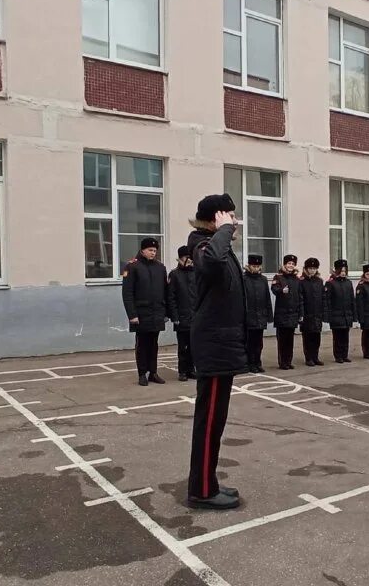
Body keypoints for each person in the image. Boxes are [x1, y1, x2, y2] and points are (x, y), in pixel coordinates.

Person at [186, 193, 246, 510]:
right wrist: (223, 231)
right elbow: (212, 263)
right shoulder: (201, 244)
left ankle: (207, 483)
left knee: (215, 421)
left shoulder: (214, 244)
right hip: (213, 345)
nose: (235, 223)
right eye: (229, 218)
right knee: (209, 423)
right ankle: (202, 492)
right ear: (215, 219)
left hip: (222, 344)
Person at [122, 237, 170, 386]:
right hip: (141, 314)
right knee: (142, 344)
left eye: (155, 250)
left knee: (154, 344)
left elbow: (165, 291)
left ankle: (153, 372)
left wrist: (166, 312)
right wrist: (132, 315)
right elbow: (127, 293)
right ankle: (142, 373)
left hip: (157, 312)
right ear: (142, 250)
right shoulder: (132, 267)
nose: (153, 253)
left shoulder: (160, 267)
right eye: (150, 250)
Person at [167, 245, 197, 382]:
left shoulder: (196, 273)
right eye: (187, 258)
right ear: (180, 259)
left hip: (195, 316)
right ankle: (183, 371)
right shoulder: (174, 275)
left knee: (193, 346)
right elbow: (171, 297)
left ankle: (192, 369)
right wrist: (175, 316)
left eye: (191, 258)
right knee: (183, 347)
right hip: (182, 316)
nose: (190, 261)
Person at [271, 254, 302, 370]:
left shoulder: (296, 279)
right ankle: (282, 362)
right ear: (284, 264)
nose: (290, 266)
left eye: (293, 264)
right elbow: (274, 289)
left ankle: (288, 361)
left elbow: (300, 297)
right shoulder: (278, 277)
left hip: (293, 314)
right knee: (282, 340)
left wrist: (300, 313)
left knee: (290, 340)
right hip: (282, 314)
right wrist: (281, 290)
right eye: (289, 264)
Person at [243, 253, 273, 373]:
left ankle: (257, 362)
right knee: (249, 342)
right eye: (253, 266)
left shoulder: (263, 279)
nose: (255, 268)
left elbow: (267, 298)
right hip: (249, 316)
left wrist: (269, 315)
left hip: (260, 316)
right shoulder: (244, 279)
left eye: (257, 266)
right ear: (249, 266)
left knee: (259, 343)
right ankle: (249, 363)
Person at [324, 259, 356, 363]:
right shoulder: (331, 283)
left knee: (345, 336)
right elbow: (327, 300)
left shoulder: (348, 283)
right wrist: (328, 315)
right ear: (337, 271)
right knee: (337, 337)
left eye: (345, 271)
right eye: (341, 271)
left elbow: (352, 299)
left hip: (347, 314)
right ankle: (338, 356)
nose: (343, 273)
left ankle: (344, 354)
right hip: (336, 315)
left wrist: (353, 314)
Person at [299, 257, 325, 366]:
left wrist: (323, 312)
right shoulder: (302, 282)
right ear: (306, 269)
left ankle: (315, 357)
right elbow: (300, 298)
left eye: (314, 268)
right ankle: (308, 357)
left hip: (317, 314)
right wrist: (301, 314)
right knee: (307, 338)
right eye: (310, 268)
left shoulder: (319, 281)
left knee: (316, 337)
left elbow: (323, 297)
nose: (312, 270)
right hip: (307, 314)